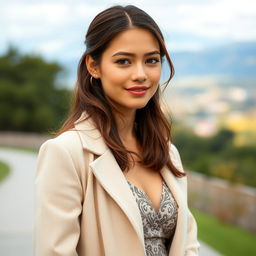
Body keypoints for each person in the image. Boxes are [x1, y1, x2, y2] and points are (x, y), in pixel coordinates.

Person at [34, 5, 200, 256]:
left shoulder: (167, 153)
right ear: (94, 66)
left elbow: (187, 246)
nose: (141, 74)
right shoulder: (66, 153)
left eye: (151, 60)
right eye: (124, 61)